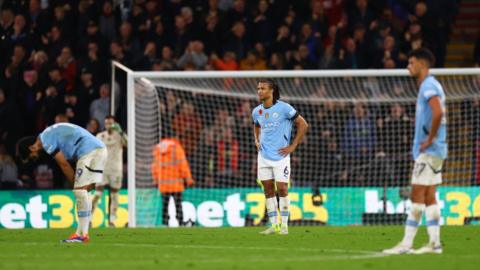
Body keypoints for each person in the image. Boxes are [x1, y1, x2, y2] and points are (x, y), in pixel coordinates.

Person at [383, 48, 447, 254]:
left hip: (429, 151)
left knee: (416, 194)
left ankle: (406, 244)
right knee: (429, 196)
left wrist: (429, 139)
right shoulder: (431, 85)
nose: (408, 67)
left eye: (411, 63)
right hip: (437, 151)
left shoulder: (428, 86)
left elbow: (438, 111)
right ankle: (434, 244)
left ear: (422, 64)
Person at [19, 123, 107, 243]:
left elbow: (64, 164)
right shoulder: (48, 133)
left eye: (31, 157)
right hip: (98, 149)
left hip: (89, 152)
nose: (34, 158)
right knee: (84, 191)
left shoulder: (46, 141)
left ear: (31, 148)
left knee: (80, 192)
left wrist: (75, 184)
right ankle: (82, 233)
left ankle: (81, 235)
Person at [251, 79, 308, 234]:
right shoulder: (257, 111)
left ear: (272, 91)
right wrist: (257, 140)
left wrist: (293, 145)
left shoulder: (284, 108)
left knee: (282, 189)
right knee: (268, 190)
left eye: (262, 88)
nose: (259, 91)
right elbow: (256, 125)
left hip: (281, 156)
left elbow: (303, 124)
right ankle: (273, 224)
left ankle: (284, 225)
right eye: (258, 88)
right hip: (263, 156)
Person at [92, 115, 127, 227]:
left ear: (114, 123)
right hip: (102, 169)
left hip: (116, 170)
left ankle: (112, 220)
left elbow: (128, 144)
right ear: (104, 124)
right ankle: (88, 218)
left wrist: (121, 132)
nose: (109, 125)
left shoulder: (119, 136)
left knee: (114, 195)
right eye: (107, 123)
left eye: (111, 123)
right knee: (97, 194)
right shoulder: (99, 136)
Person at [151, 137, 194, 226]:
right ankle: (180, 222)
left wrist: (155, 180)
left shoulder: (157, 149)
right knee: (178, 205)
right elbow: (183, 165)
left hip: (163, 184)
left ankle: (165, 223)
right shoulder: (176, 148)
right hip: (176, 184)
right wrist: (188, 179)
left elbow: (154, 167)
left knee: (165, 205)